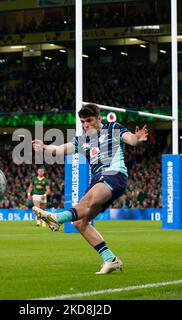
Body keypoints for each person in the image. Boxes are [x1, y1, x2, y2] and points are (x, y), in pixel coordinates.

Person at [32, 103, 148, 274]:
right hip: (97, 180)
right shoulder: (81, 141)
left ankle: (57, 218)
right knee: (80, 222)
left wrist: (137, 138)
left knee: (89, 200)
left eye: (89, 121)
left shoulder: (113, 128)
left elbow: (130, 139)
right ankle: (110, 259)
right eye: (82, 122)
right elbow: (59, 149)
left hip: (114, 175)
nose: (86, 125)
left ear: (99, 118)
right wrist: (44, 147)